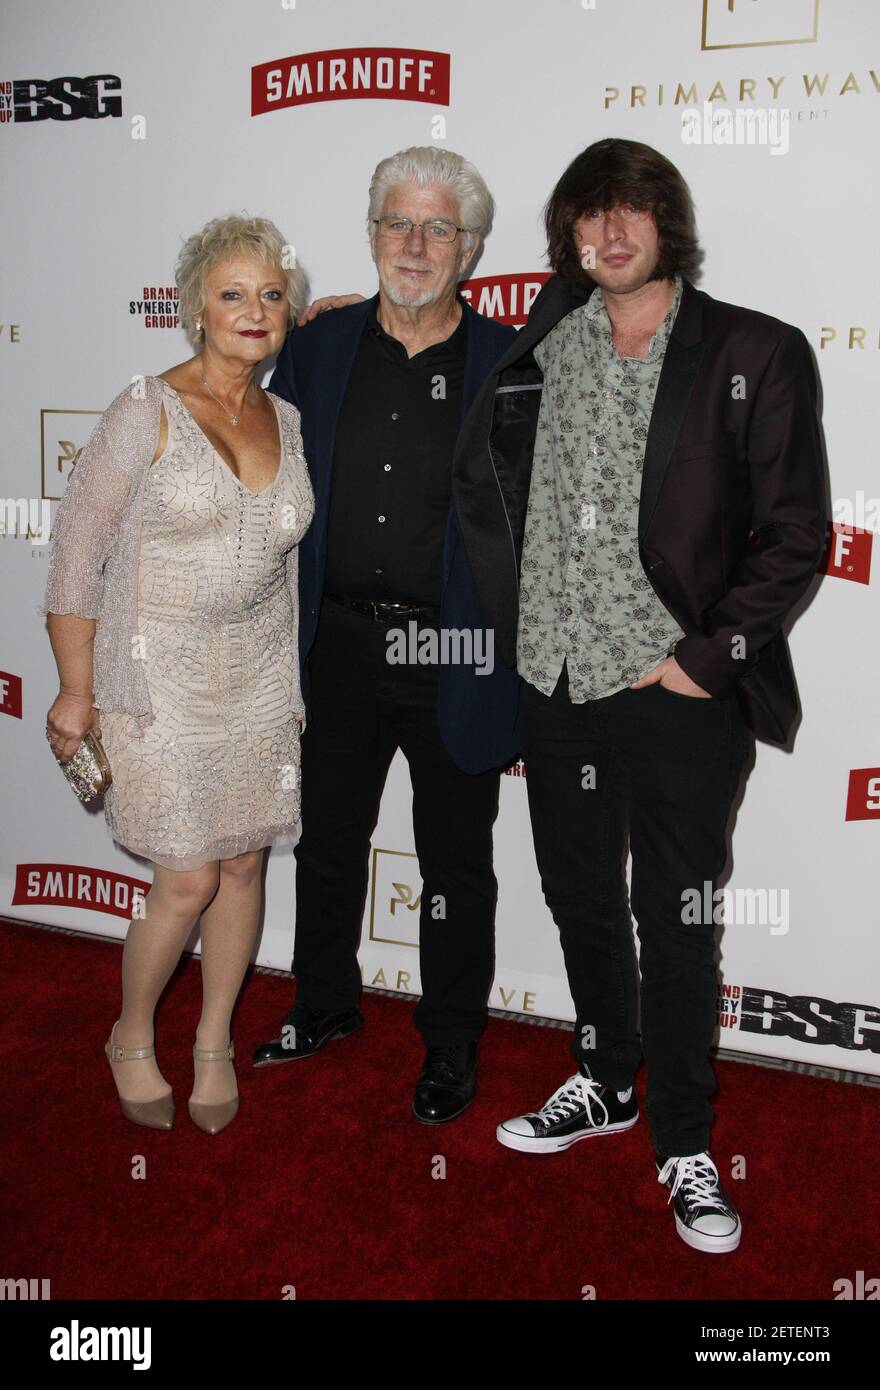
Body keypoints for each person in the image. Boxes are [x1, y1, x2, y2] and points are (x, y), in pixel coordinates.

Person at [452, 138, 826, 1250]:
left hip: (676, 691)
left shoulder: (751, 350)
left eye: (632, 212)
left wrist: (706, 660)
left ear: (668, 225)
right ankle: (607, 1077)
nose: (610, 234)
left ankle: (686, 1142)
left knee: (676, 919)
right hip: (556, 679)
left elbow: (796, 532)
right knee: (578, 894)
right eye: (589, 215)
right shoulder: (544, 341)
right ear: (567, 235)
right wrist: (328, 315)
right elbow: (431, 352)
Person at [252, 147, 522, 1124]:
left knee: (454, 865)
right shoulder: (317, 349)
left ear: (471, 248)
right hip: (334, 642)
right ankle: (323, 1002)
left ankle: (450, 1039)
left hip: (452, 651)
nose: (414, 244)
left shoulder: (512, 365)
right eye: (396, 223)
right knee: (328, 843)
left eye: (436, 227)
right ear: (371, 234)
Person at [42, 214, 314, 1135]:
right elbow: (75, 559)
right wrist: (76, 691)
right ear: (196, 305)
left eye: (272, 295)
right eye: (233, 293)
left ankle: (212, 1041)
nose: (254, 310)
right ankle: (130, 1035)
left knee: (243, 864)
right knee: (188, 880)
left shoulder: (288, 419)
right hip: (158, 685)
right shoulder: (144, 408)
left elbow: (282, 561)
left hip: (261, 683)